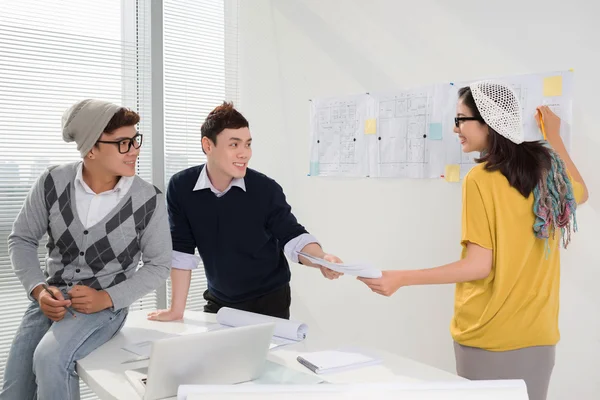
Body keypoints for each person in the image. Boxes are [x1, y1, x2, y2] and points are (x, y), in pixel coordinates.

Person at [358, 81, 588, 400]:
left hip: (488, 336)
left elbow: (479, 265)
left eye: (460, 119)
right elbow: (581, 192)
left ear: (487, 122)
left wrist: (401, 278)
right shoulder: (546, 169)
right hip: (539, 336)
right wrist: (554, 137)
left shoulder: (480, 180)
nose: (455, 129)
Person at [1, 100, 172, 400]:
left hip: (103, 308)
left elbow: (159, 265)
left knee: (50, 359)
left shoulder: (148, 199)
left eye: (135, 140)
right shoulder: (52, 182)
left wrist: (107, 298)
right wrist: (39, 291)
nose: (134, 149)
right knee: (14, 390)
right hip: (48, 300)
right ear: (91, 148)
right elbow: (22, 239)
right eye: (123, 143)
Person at [148, 102, 342, 321]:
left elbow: (292, 236)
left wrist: (322, 258)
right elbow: (182, 250)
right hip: (219, 300)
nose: (244, 154)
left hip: (269, 300)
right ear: (208, 145)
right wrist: (176, 311)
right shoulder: (181, 187)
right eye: (234, 144)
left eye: (248, 144)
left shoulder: (265, 189)